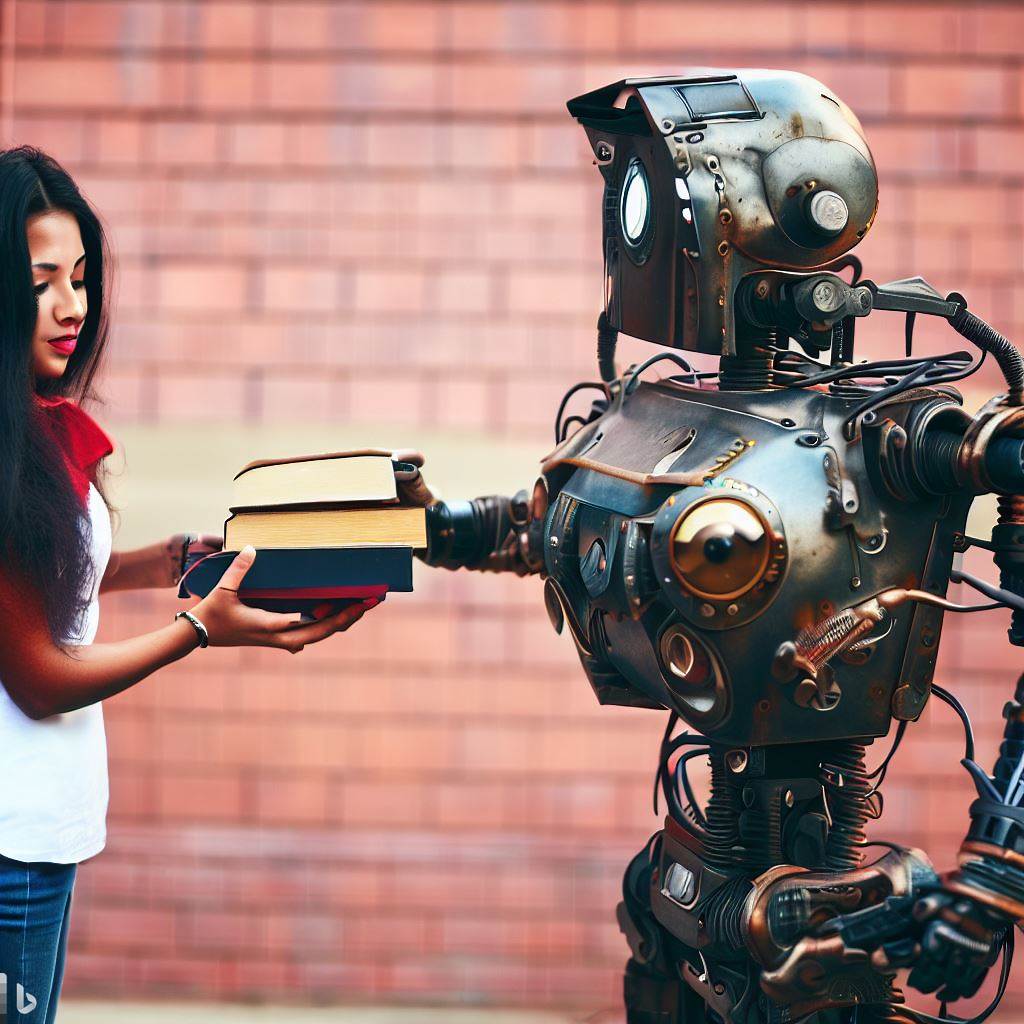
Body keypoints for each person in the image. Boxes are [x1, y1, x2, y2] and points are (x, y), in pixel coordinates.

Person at [0, 147, 377, 1023]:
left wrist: (167, 563)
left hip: (43, 829)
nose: (72, 307)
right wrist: (201, 628)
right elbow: (39, 678)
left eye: (82, 279)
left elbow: (56, 584)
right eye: (44, 280)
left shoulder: (41, 429)